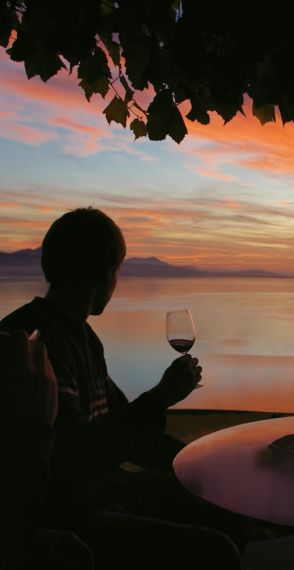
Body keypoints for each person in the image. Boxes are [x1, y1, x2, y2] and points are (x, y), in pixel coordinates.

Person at [0, 208, 242, 570]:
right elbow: (76, 455)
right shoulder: (33, 341)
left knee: (225, 501)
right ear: (105, 273)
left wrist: (196, 463)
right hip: (69, 512)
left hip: (107, 489)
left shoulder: (82, 336)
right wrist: (161, 397)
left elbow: (125, 426)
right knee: (216, 551)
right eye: (118, 271)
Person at [1, 329, 93, 570]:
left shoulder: (85, 338)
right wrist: (32, 433)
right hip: (82, 506)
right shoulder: (32, 351)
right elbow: (80, 456)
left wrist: (37, 539)